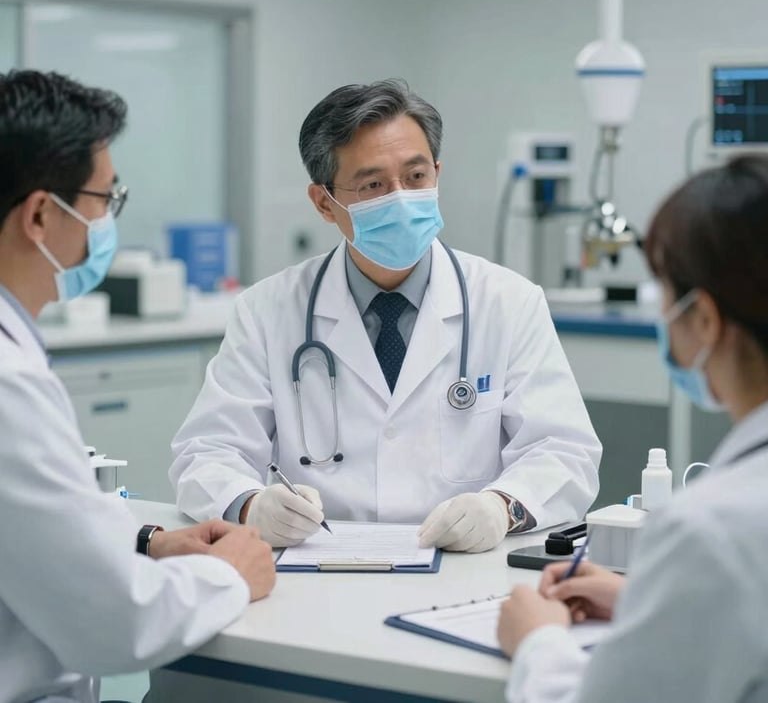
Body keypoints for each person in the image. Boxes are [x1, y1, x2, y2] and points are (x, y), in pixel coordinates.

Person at [171, 79, 601, 553]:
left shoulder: (509, 302)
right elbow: (206, 453)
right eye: (374, 185)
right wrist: (251, 505)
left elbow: (564, 452)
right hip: (316, 570)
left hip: (461, 569)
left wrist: (503, 507)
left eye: (416, 178)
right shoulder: (267, 310)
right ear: (323, 203)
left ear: (437, 174)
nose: (400, 198)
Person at [0, 70, 275, 703]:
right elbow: (115, 624)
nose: (106, 219)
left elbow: (26, 525)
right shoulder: (9, 385)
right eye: (103, 199)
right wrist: (228, 576)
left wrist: (142, 540)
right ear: (42, 214)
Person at [498, 155, 768, 703]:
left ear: (706, 321)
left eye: (665, 294)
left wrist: (538, 642)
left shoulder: (710, 529)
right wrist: (656, 601)